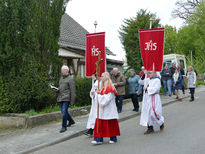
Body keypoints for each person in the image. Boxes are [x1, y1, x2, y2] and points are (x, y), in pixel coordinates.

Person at [91, 72, 120, 144]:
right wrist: (95, 94)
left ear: (107, 77)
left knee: (110, 124)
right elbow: (98, 97)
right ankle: (98, 139)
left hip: (108, 109)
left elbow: (106, 100)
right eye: (101, 76)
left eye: (102, 76)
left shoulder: (110, 87)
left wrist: (98, 95)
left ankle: (113, 138)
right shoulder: (102, 87)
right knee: (99, 124)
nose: (101, 77)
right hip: (101, 110)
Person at [140, 70, 164, 134]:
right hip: (147, 98)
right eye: (148, 73)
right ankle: (150, 128)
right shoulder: (148, 79)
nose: (149, 74)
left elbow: (156, 89)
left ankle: (161, 122)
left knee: (154, 113)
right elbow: (140, 82)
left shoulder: (157, 80)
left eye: (150, 73)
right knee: (147, 113)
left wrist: (147, 89)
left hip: (154, 98)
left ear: (154, 73)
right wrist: (144, 75)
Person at [56, 65, 76, 133]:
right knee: (64, 112)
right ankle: (71, 121)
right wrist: (57, 90)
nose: (61, 72)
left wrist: (72, 101)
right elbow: (60, 87)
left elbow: (73, 91)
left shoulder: (70, 79)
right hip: (60, 98)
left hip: (66, 98)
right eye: (61, 70)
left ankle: (63, 127)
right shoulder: (61, 78)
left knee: (64, 113)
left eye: (62, 70)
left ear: (66, 71)